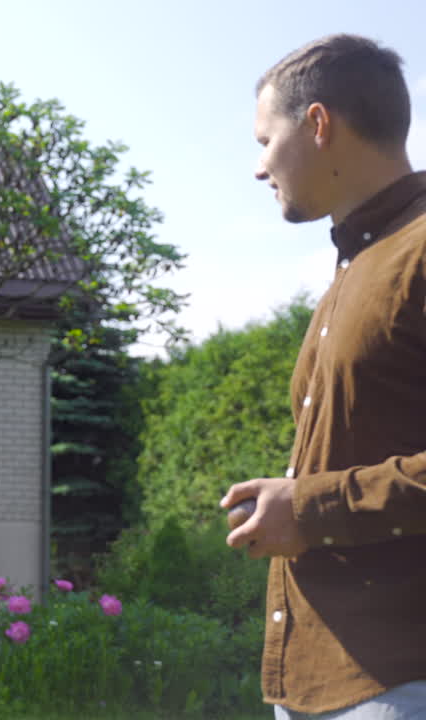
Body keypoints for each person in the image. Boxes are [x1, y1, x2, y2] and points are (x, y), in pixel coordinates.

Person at [224, 33, 426, 719]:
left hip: (399, 680)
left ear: (317, 124)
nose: (259, 167)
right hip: (317, 677)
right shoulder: (354, 266)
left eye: (264, 139)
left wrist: (309, 510)